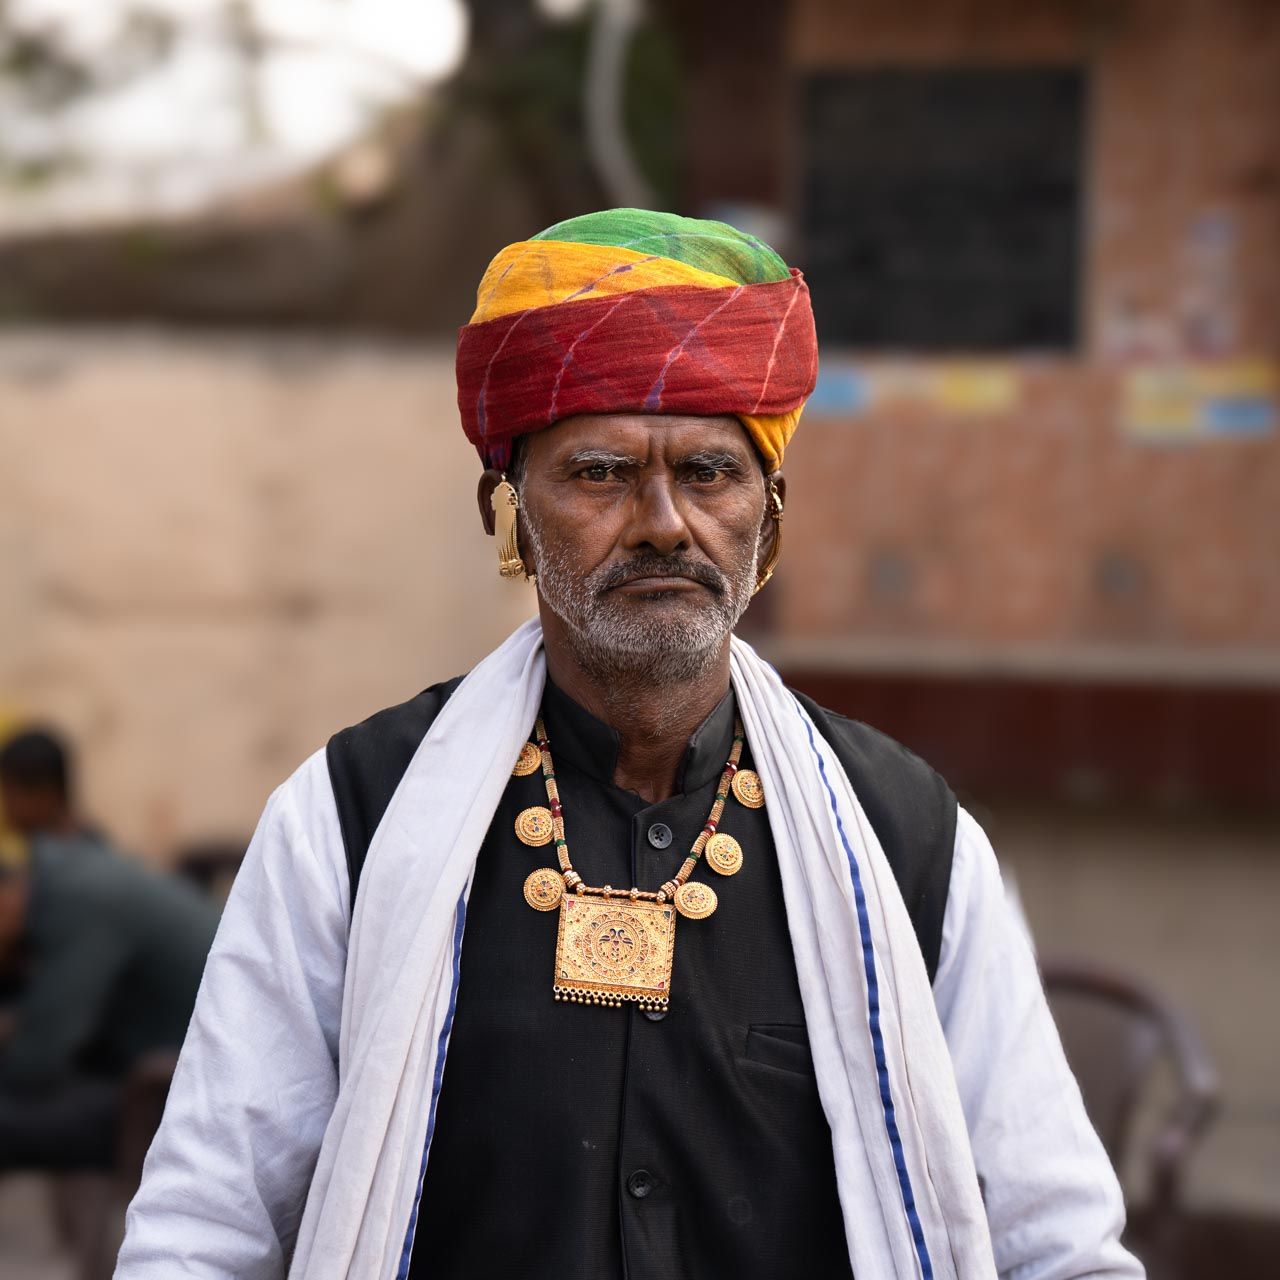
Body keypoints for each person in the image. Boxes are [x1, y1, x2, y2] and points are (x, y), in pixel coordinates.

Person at [114, 210, 1143, 1280]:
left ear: (769, 521)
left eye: (708, 472)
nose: (663, 521)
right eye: (600, 472)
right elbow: (204, 1229)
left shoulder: (907, 838)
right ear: (506, 513)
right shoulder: (351, 818)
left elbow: (1058, 1246)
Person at [0, 832, 219, 1170]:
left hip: (184, 1093)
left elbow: (37, 1063)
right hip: (169, 1064)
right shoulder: (69, 873)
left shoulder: (78, 899)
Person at [0, 727, 85, 840]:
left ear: (46, 794)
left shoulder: (53, 848)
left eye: (11, 794)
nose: (7, 805)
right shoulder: (90, 838)